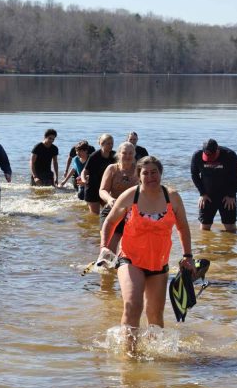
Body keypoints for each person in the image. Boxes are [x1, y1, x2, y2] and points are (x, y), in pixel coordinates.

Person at [99, 156, 194, 355]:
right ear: (139, 176)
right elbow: (109, 222)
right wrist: (104, 248)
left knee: (155, 316)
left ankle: (154, 357)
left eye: (154, 172)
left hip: (159, 263)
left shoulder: (172, 197)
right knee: (133, 305)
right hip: (130, 259)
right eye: (145, 173)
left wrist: (188, 256)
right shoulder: (130, 196)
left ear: (160, 173)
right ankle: (129, 356)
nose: (150, 176)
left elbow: (183, 228)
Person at [190, 139, 237, 232]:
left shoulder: (229, 155)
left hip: (227, 196)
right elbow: (194, 175)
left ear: (217, 150)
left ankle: (228, 245)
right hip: (207, 195)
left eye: (212, 157)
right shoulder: (197, 156)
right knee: (204, 229)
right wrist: (202, 193)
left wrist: (231, 194)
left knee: (230, 228)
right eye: (207, 157)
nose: (210, 160)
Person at [99, 142, 139, 252]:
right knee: (109, 245)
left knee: (128, 248)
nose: (127, 156)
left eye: (130, 153)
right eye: (124, 153)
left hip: (131, 211)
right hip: (113, 208)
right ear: (119, 154)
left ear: (134, 154)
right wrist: (110, 199)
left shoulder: (139, 170)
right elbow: (102, 190)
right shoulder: (112, 169)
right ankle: (105, 264)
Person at [83, 133, 116, 215]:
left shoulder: (114, 155)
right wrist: (84, 180)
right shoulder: (94, 156)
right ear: (101, 144)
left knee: (110, 212)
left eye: (112, 143)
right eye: (108, 143)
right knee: (95, 215)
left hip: (106, 188)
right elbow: (84, 171)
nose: (111, 145)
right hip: (92, 188)